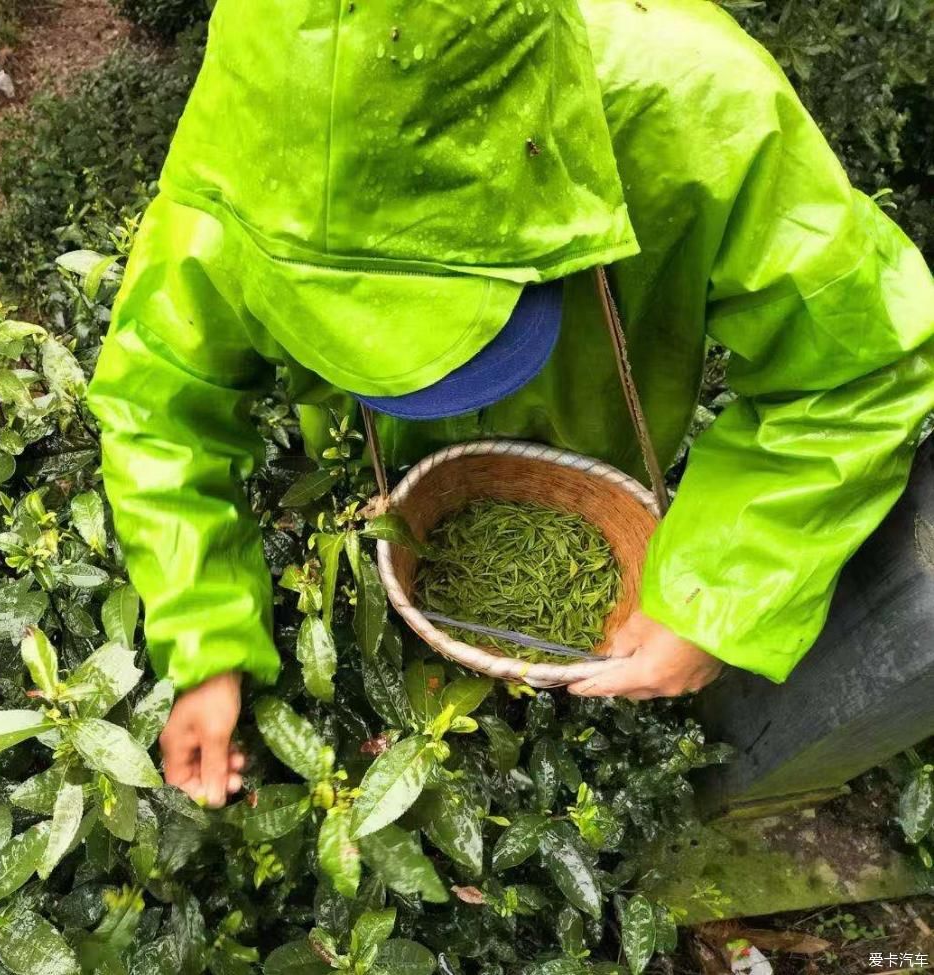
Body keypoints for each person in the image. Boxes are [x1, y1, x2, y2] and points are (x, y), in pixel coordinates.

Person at [87, 0, 934, 807]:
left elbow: (858, 364)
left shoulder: (698, 111)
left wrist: (716, 598)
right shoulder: (240, 169)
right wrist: (206, 645)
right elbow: (160, 400)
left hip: (602, 443)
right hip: (384, 491)